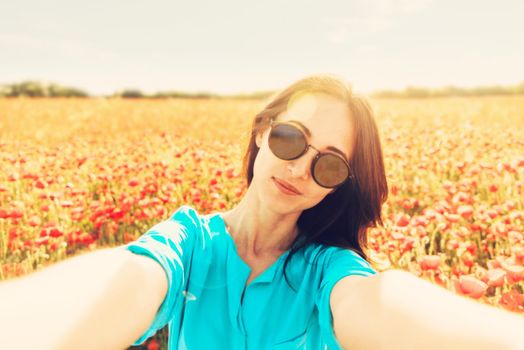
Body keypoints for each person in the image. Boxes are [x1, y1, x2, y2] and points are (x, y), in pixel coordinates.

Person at [0, 74, 522, 350]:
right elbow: (124, 280)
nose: (299, 170)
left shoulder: (329, 274)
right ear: (262, 131)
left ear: (336, 190)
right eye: (292, 139)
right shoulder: (187, 247)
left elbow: (385, 308)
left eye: (331, 167)